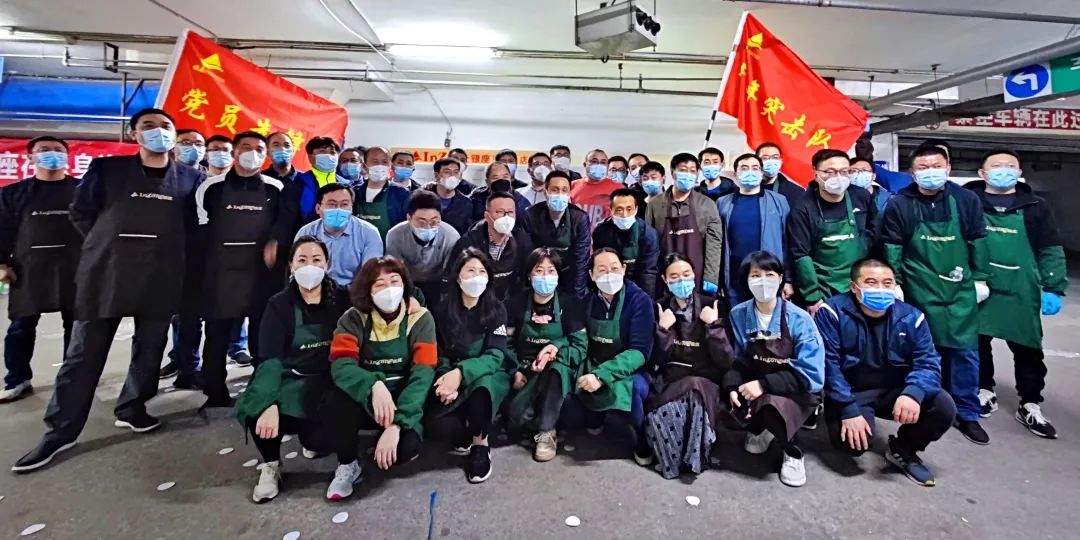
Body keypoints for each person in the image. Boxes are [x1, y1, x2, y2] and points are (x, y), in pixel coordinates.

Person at [12, 108, 205, 473]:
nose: (159, 132)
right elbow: (81, 213)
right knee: (83, 355)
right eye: (149, 126)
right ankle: (60, 430)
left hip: (162, 276)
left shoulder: (191, 178)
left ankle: (132, 406)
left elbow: (194, 227)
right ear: (134, 134)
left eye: (165, 126)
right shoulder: (107, 170)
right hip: (107, 275)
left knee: (149, 349)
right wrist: (108, 246)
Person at [878, 143, 990, 445]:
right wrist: (895, 283)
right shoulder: (900, 203)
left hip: (959, 289)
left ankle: (967, 413)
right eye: (923, 168)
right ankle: (927, 404)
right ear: (912, 172)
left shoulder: (965, 200)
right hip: (919, 286)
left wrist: (981, 278)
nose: (931, 172)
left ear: (948, 168)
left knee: (965, 352)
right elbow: (893, 246)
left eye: (936, 166)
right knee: (923, 352)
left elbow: (978, 240)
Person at [816, 258, 957, 487]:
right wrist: (848, 409)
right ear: (854, 287)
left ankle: (903, 448)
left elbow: (928, 362)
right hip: (853, 392)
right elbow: (828, 365)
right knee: (851, 445)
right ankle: (847, 418)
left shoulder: (911, 317)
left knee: (943, 406)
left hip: (894, 391)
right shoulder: (832, 312)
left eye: (887, 283)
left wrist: (914, 392)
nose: (880, 289)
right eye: (871, 282)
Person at [235, 236, 349, 503]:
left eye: (317, 260)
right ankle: (271, 464)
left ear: (327, 265)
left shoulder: (342, 299)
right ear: (291, 265)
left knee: (319, 440)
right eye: (302, 260)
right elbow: (269, 358)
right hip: (289, 379)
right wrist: (268, 402)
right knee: (257, 407)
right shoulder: (279, 305)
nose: (310, 266)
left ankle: (322, 443)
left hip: (329, 380)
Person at [967, 149, 1066, 439]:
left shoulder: (1035, 206)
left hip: (1021, 285)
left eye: (1010, 166)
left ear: (1019, 172)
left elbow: (1049, 247)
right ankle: (984, 390)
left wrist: (1053, 286)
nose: (1004, 170)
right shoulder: (969, 202)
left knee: (1027, 345)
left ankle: (1030, 402)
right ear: (982, 173)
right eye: (996, 166)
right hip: (980, 283)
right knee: (977, 341)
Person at [324, 256, 437, 500]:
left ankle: (387, 436)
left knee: (405, 450)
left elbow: (423, 373)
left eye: (394, 281)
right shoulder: (352, 318)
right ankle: (347, 464)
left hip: (404, 398)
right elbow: (341, 364)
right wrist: (373, 384)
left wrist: (398, 423)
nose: (389, 289)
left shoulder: (421, 318)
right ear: (368, 290)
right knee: (335, 403)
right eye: (380, 284)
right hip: (368, 400)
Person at [192, 130, 284, 408]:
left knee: (261, 337)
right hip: (221, 274)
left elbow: (282, 226)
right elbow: (200, 232)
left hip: (262, 275)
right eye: (246, 147)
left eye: (259, 149)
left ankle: (261, 389)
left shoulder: (275, 188)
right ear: (234, 152)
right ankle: (215, 392)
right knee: (217, 337)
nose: (252, 153)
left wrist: (274, 243)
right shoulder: (211, 187)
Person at [724, 250, 824, 487]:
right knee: (729, 406)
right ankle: (764, 428)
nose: (763, 281)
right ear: (746, 281)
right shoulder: (739, 314)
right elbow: (739, 358)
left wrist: (764, 385)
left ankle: (792, 451)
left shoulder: (799, 319)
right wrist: (731, 386)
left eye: (769, 275)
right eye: (755, 275)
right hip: (757, 383)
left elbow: (812, 375)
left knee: (771, 406)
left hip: (797, 388)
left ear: (780, 278)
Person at [0, 136, 80, 403]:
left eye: (58, 150)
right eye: (44, 150)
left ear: (67, 156)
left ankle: (72, 380)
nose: (52, 154)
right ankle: (17, 379)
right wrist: (2, 263)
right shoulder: (13, 193)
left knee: (76, 327)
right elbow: (3, 230)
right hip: (29, 268)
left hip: (76, 268)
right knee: (21, 326)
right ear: (30, 157)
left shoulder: (82, 190)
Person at [426, 249, 512, 482]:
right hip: (450, 372)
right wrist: (447, 377)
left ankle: (480, 444)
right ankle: (464, 432)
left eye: (482, 272)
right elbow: (439, 352)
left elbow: (495, 355)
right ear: (458, 276)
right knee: (437, 426)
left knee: (481, 389)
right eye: (470, 271)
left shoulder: (497, 310)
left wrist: (462, 374)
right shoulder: (442, 311)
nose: (477, 277)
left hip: (488, 372)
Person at [645, 254, 733, 479]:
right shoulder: (659, 308)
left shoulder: (713, 305)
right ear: (665, 280)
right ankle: (672, 460)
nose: (681, 281)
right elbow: (655, 360)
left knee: (695, 390)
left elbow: (726, 360)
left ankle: (694, 458)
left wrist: (714, 327)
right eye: (674, 277)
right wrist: (663, 331)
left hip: (705, 381)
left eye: (686, 275)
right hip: (671, 381)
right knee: (662, 412)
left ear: (694, 275)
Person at [574, 248, 656, 464]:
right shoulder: (587, 301)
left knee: (632, 390)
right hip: (595, 363)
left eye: (614, 268)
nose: (609, 275)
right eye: (601, 270)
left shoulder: (639, 301)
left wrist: (601, 376)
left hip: (631, 370)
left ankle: (641, 440)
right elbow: (579, 338)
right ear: (591, 275)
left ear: (624, 269)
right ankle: (594, 417)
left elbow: (640, 352)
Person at [506, 248, 587, 462]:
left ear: (558, 276)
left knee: (557, 369)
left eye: (551, 271)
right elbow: (505, 343)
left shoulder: (570, 305)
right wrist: (515, 370)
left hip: (558, 372)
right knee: (516, 416)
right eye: (539, 271)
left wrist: (556, 348)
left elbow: (580, 347)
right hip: (525, 371)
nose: (545, 277)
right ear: (529, 275)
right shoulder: (516, 303)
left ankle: (546, 431)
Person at [789, 149, 875, 317]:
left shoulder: (861, 197)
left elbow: (874, 233)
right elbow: (801, 255)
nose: (838, 177)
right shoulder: (803, 208)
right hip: (824, 287)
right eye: (830, 172)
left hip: (860, 283)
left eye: (844, 171)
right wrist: (813, 297)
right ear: (816, 173)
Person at [716, 153, 791, 304]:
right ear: (735, 174)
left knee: (768, 317)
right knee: (737, 316)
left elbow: (787, 242)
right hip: (734, 278)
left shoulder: (778, 201)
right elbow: (718, 244)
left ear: (762, 173)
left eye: (755, 168)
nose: (750, 172)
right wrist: (719, 280)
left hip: (768, 276)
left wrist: (788, 279)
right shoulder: (723, 203)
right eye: (744, 168)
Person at [644, 153, 723, 296]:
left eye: (693, 171)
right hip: (665, 277)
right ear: (673, 173)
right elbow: (649, 244)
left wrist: (711, 277)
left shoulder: (706, 204)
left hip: (696, 275)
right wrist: (650, 280)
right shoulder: (655, 205)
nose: (688, 174)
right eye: (683, 170)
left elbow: (714, 243)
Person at [450, 192, 534, 319]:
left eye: (510, 212)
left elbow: (525, 279)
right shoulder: (468, 242)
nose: (506, 217)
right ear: (487, 216)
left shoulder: (522, 240)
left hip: (507, 307)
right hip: (473, 307)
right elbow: (452, 279)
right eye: (500, 212)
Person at [385, 190, 461, 312]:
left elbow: (450, 274)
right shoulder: (395, 235)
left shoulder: (451, 236)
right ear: (409, 218)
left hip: (438, 283)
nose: (428, 227)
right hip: (407, 282)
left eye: (434, 221)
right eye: (421, 222)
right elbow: (395, 271)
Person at [296, 184, 383, 288]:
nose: (338, 209)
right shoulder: (306, 232)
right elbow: (298, 269)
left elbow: (370, 275)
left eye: (344, 204)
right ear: (318, 208)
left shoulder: (369, 232)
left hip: (355, 292)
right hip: (315, 289)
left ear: (351, 208)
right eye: (332, 204)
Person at [527, 170, 591, 298]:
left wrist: (578, 295)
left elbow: (581, 259)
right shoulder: (531, 215)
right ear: (546, 192)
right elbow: (527, 254)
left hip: (569, 274)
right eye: (555, 190)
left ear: (569, 193)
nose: (560, 194)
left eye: (564, 190)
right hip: (540, 274)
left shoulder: (580, 218)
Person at [592, 188, 660, 298]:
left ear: (636, 210)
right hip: (611, 280)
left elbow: (648, 272)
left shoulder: (648, 234)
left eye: (629, 209)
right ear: (611, 210)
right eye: (619, 210)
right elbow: (601, 264)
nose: (624, 215)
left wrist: (645, 300)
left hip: (639, 281)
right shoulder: (601, 232)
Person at [280, 136, 341, 239]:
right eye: (322, 151)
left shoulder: (346, 186)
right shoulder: (297, 183)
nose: (329, 156)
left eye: (332, 152)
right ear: (310, 157)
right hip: (306, 238)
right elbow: (287, 219)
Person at [354, 146, 409, 241]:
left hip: (391, 248)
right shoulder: (355, 193)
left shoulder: (401, 194)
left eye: (384, 162)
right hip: (360, 247)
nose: (380, 165)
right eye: (375, 161)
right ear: (364, 166)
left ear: (390, 165)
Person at [570, 148, 621, 230]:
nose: (599, 165)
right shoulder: (572, 186)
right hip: (578, 235)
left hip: (605, 236)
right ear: (585, 164)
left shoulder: (618, 188)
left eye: (603, 162)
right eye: (594, 162)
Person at [469, 162, 531, 227]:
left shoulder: (521, 202)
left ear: (510, 179)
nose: (501, 180)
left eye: (505, 177)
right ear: (487, 181)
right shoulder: (476, 198)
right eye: (495, 178)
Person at [427, 157, 474, 235]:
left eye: (456, 172)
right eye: (447, 172)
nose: (452, 176)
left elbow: (466, 232)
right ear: (436, 176)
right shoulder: (423, 199)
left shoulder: (466, 203)